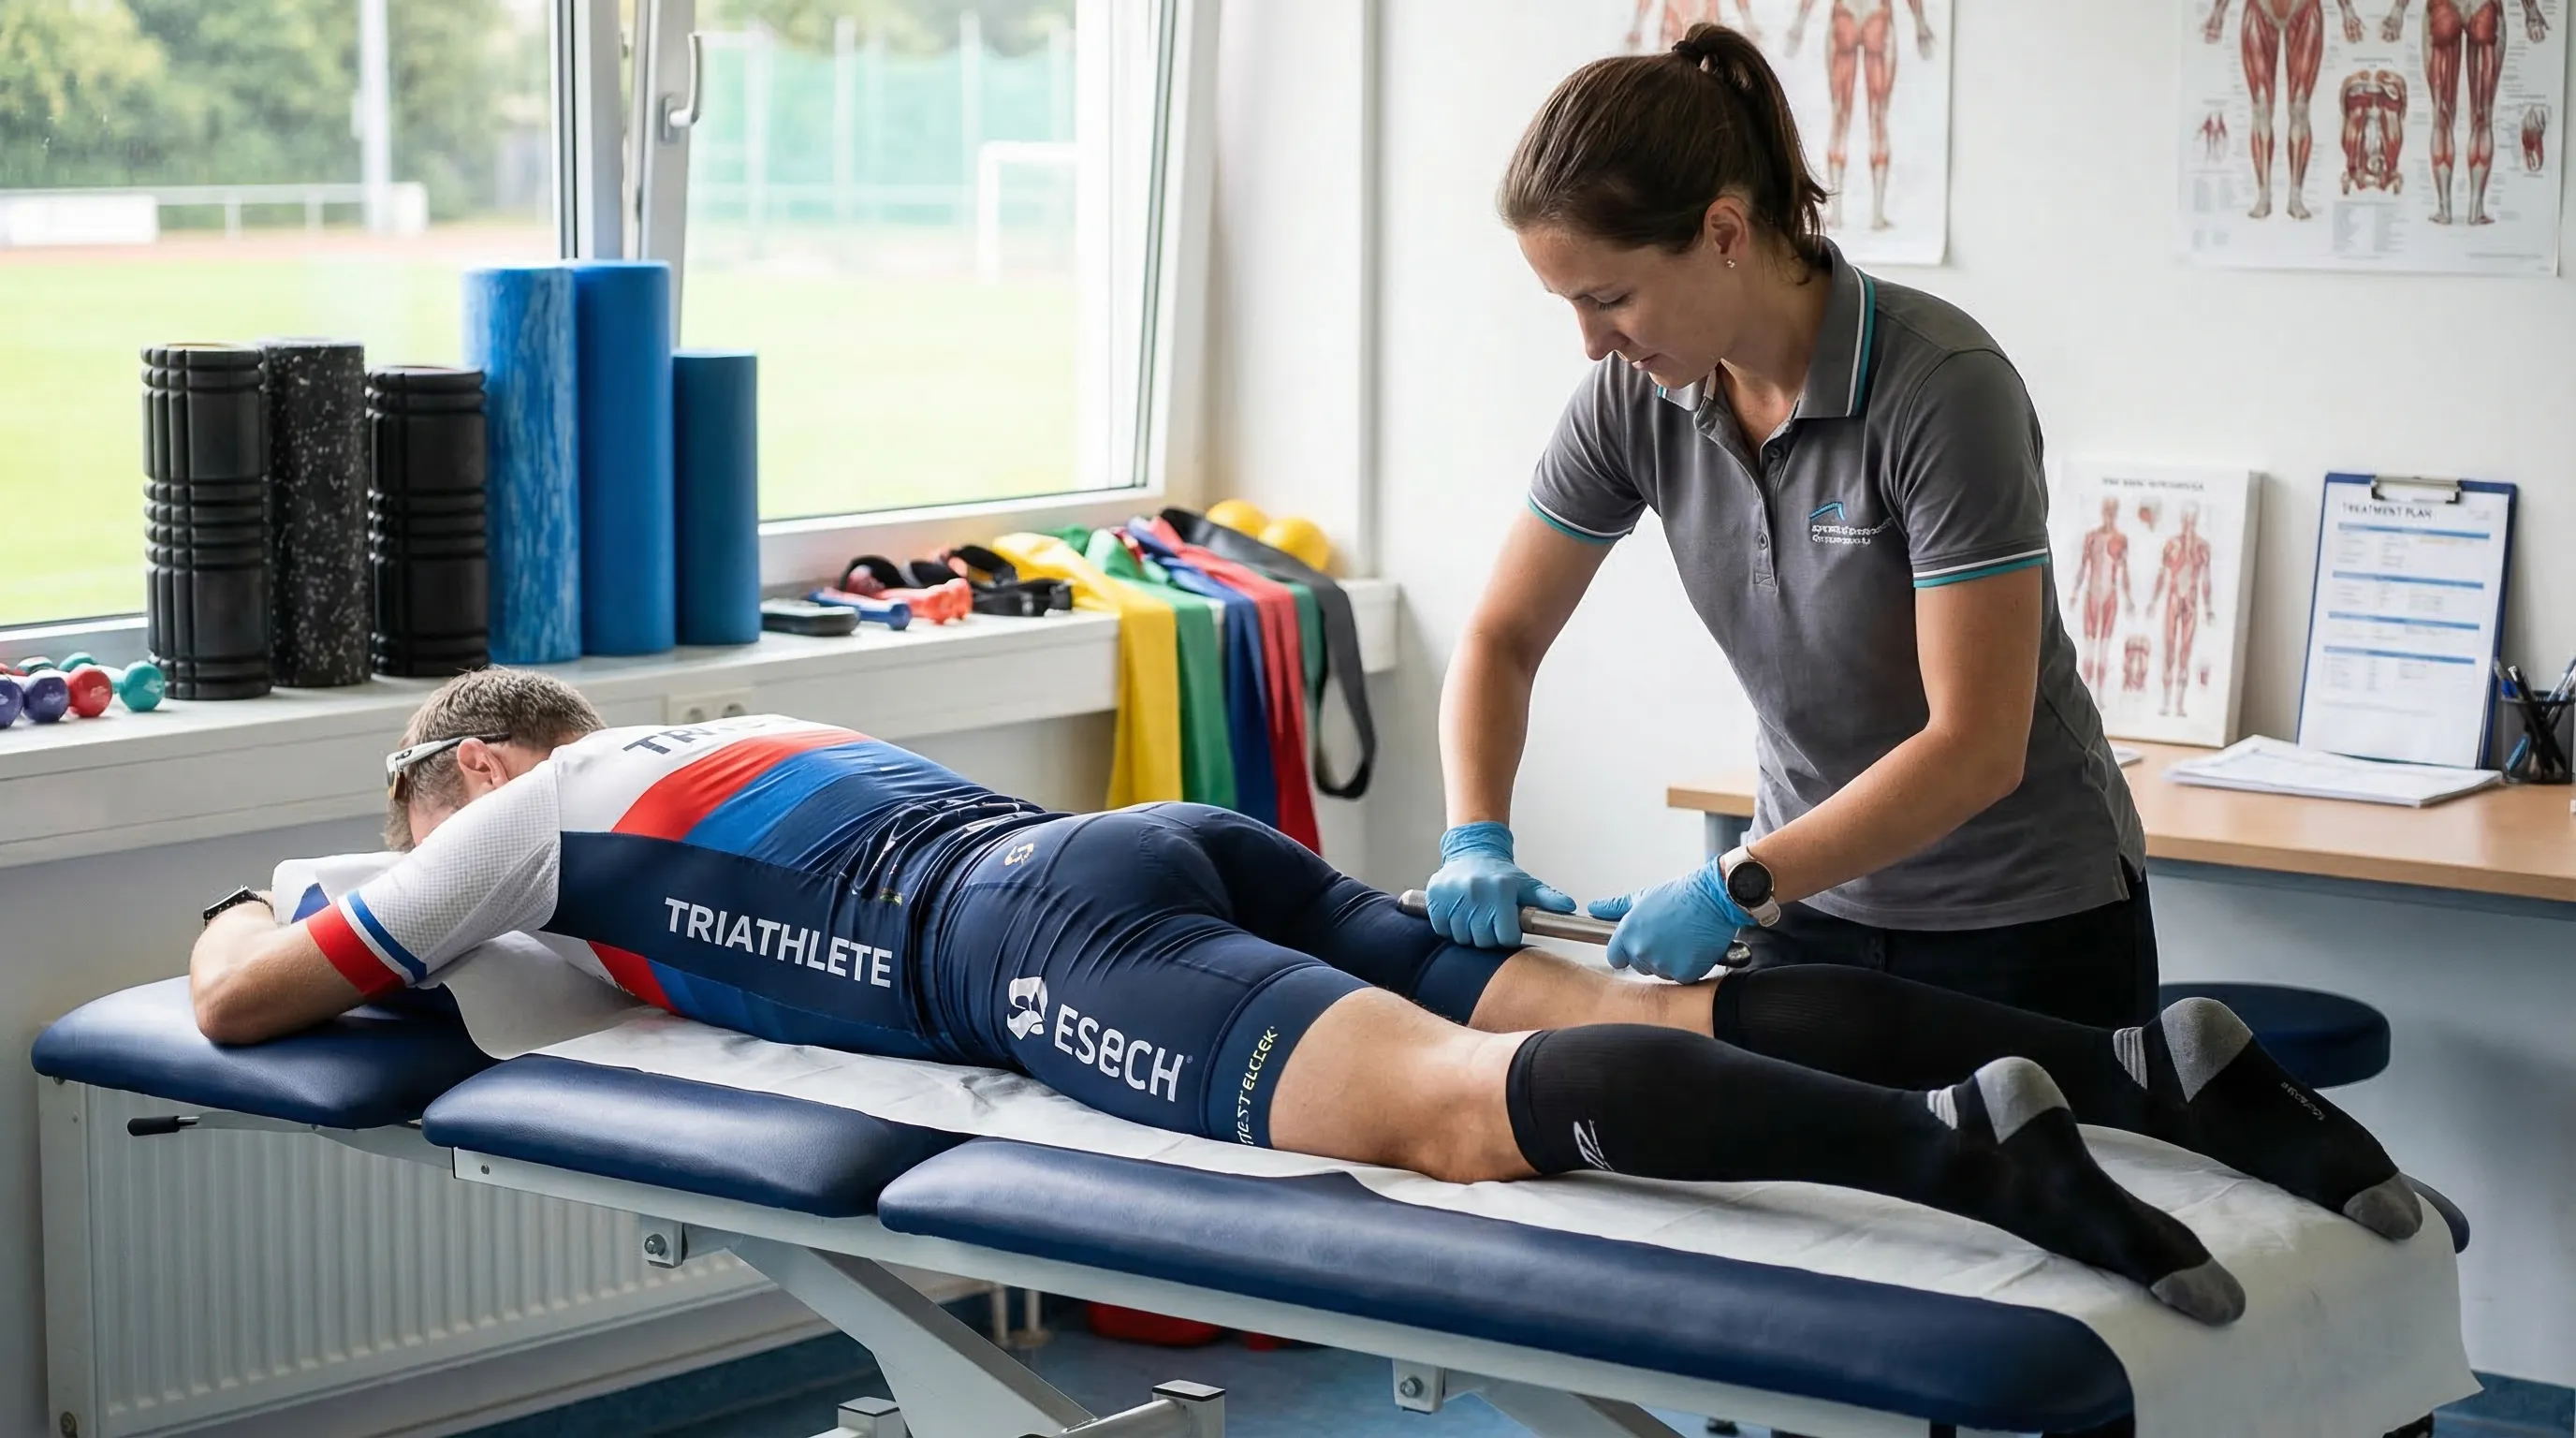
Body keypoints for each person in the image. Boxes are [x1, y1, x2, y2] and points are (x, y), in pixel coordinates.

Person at [190, 668, 2428, 1328]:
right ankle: (2125, 1071)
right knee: (1625, 999)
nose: (431, 869)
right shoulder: (718, 732)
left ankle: (1967, 1162)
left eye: (421, 824)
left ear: (469, 767)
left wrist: (261, 905)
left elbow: (251, 1002)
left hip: (1042, 952)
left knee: (1464, 1102)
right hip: (1154, 839)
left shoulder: (528, 806)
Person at [1426, 22, 2158, 1027]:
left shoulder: (1941, 390)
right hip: (1803, 905)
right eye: (1569, 306)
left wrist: (1735, 882)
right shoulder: (1635, 399)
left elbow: (1976, 744)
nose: (1593, 344)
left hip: (2019, 922)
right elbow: (1501, 637)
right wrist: (1474, 834)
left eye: (1609, 298)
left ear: (1724, 233)